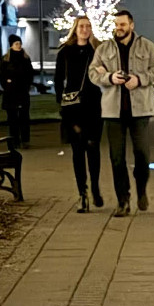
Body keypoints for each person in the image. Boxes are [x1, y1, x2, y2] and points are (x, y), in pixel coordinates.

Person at [89, 7, 154, 216]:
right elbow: (93, 72)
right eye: (116, 24)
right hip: (113, 112)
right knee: (117, 158)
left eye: (122, 24)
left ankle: (141, 190)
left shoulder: (146, 46)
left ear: (131, 25)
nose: (118, 28)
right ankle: (123, 200)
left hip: (140, 111)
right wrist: (110, 78)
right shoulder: (104, 49)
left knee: (142, 155)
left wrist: (139, 80)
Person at [55, 16, 105, 212]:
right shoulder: (65, 51)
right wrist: (61, 101)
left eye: (88, 26)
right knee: (78, 151)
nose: (85, 29)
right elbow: (58, 79)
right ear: (75, 29)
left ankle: (95, 187)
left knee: (93, 147)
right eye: (82, 26)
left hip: (94, 105)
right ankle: (82, 193)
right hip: (73, 107)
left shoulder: (97, 49)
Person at [0, 34, 34, 149]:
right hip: (11, 92)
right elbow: (1, 74)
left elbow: (30, 73)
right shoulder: (6, 59)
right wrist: (7, 84)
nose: (19, 45)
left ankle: (25, 140)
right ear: (11, 45)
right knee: (12, 118)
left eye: (20, 43)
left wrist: (27, 85)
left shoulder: (25, 58)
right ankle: (14, 140)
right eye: (16, 43)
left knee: (24, 117)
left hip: (22, 91)